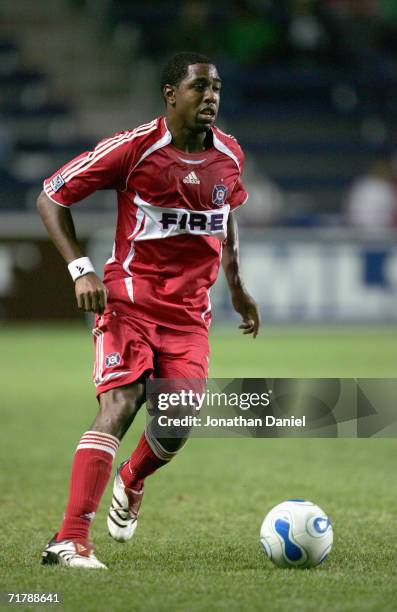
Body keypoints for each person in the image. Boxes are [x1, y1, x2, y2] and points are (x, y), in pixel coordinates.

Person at [37, 52, 260, 570]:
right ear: (170, 94)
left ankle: (132, 480)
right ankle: (69, 539)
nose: (211, 97)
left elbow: (223, 217)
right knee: (122, 402)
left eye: (217, 88)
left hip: (189, 315)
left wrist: (237, 285)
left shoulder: (230, 155)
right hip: (128, 302)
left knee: (177, 421)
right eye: (200, 87)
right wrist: (81, 270)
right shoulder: (135, 148)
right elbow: (51, 196)